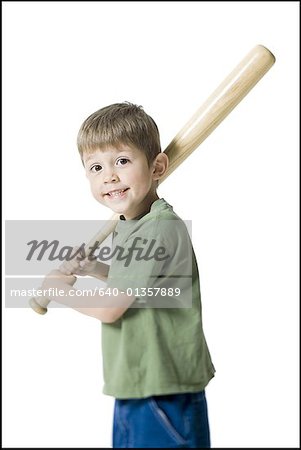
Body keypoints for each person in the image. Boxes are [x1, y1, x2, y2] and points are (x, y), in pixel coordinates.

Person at [42, 102, 216, 448]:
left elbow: (111, 308)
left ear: (157, 166)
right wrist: (95, 269)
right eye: (96, 167)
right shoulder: (132, 225)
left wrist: (58, 289)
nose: (109, 175)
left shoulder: (158, 228)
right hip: (137, 381)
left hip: (162, 388)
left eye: (122, 161)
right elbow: (139, 286)